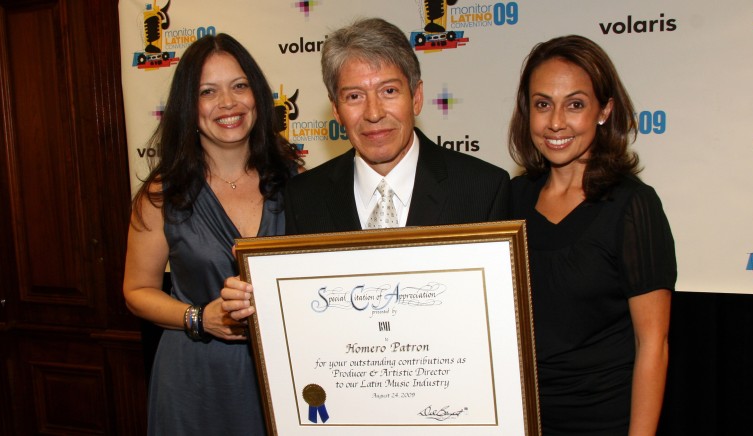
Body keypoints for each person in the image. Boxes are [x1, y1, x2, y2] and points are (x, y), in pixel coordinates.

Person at [221, 16, 510, 316]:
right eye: (355, 96)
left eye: (389, 91)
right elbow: (305, 309)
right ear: (336, 109)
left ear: (417, 97)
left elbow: (495, 314)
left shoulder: (483, 189)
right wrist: (260, 299)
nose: (373, 113)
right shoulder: (304, 196)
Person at [123, 33, 301, 435]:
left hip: (281, 376)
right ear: (190, 105)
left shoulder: (298, 183)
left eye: (239, 86)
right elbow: (136, 291)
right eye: (208, 91)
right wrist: (200, 317)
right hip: (194, 381)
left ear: (257, 94)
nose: (228, 103)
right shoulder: (161, 195)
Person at [508, 35, 676, 435]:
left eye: (576, 104)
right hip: (519, 418)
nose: (555, 122)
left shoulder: (633, 206)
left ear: (604, 111)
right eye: (542, 104)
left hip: (602, 422)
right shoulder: (510, 199)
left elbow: (653, 344)